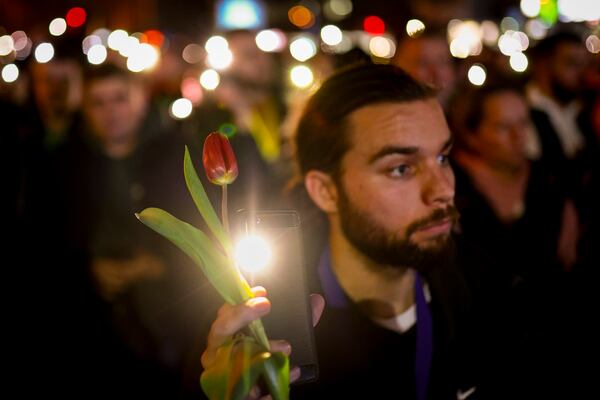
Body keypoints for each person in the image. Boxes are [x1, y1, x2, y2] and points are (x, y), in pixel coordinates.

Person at [200, 63, 547, 399]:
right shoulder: (271, 337)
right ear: (326, 190)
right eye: (400, 168)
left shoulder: (492, 297)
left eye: (442, 158)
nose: (442, 188)